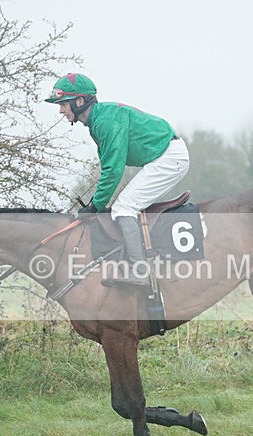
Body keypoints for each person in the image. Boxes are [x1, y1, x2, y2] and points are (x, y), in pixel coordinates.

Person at [45, 73, 189, 287]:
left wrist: (96, 206)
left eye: (63, 104)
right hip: (162, 156)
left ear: (80, 101)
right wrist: (95, 203)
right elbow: (108, 169)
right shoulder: (98, 121)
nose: (60, 110)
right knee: (125, 205)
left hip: (169, 158)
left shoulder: (105, 122)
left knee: (124, 207)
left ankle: (140, 271)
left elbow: (113, 170)